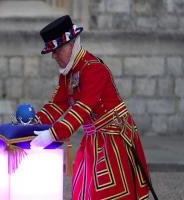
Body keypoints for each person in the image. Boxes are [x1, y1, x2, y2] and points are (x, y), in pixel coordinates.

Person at [30, 15, 155, 199]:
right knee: (83, 188)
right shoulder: (68, 72)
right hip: (93, 137)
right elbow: (57, 105)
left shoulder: (94, 69)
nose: (53, 57)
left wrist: (52, 134)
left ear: (71, 45)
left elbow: (81, 108)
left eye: (56, 51)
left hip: (114, 137)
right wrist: (31, 124)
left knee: (107, 193)